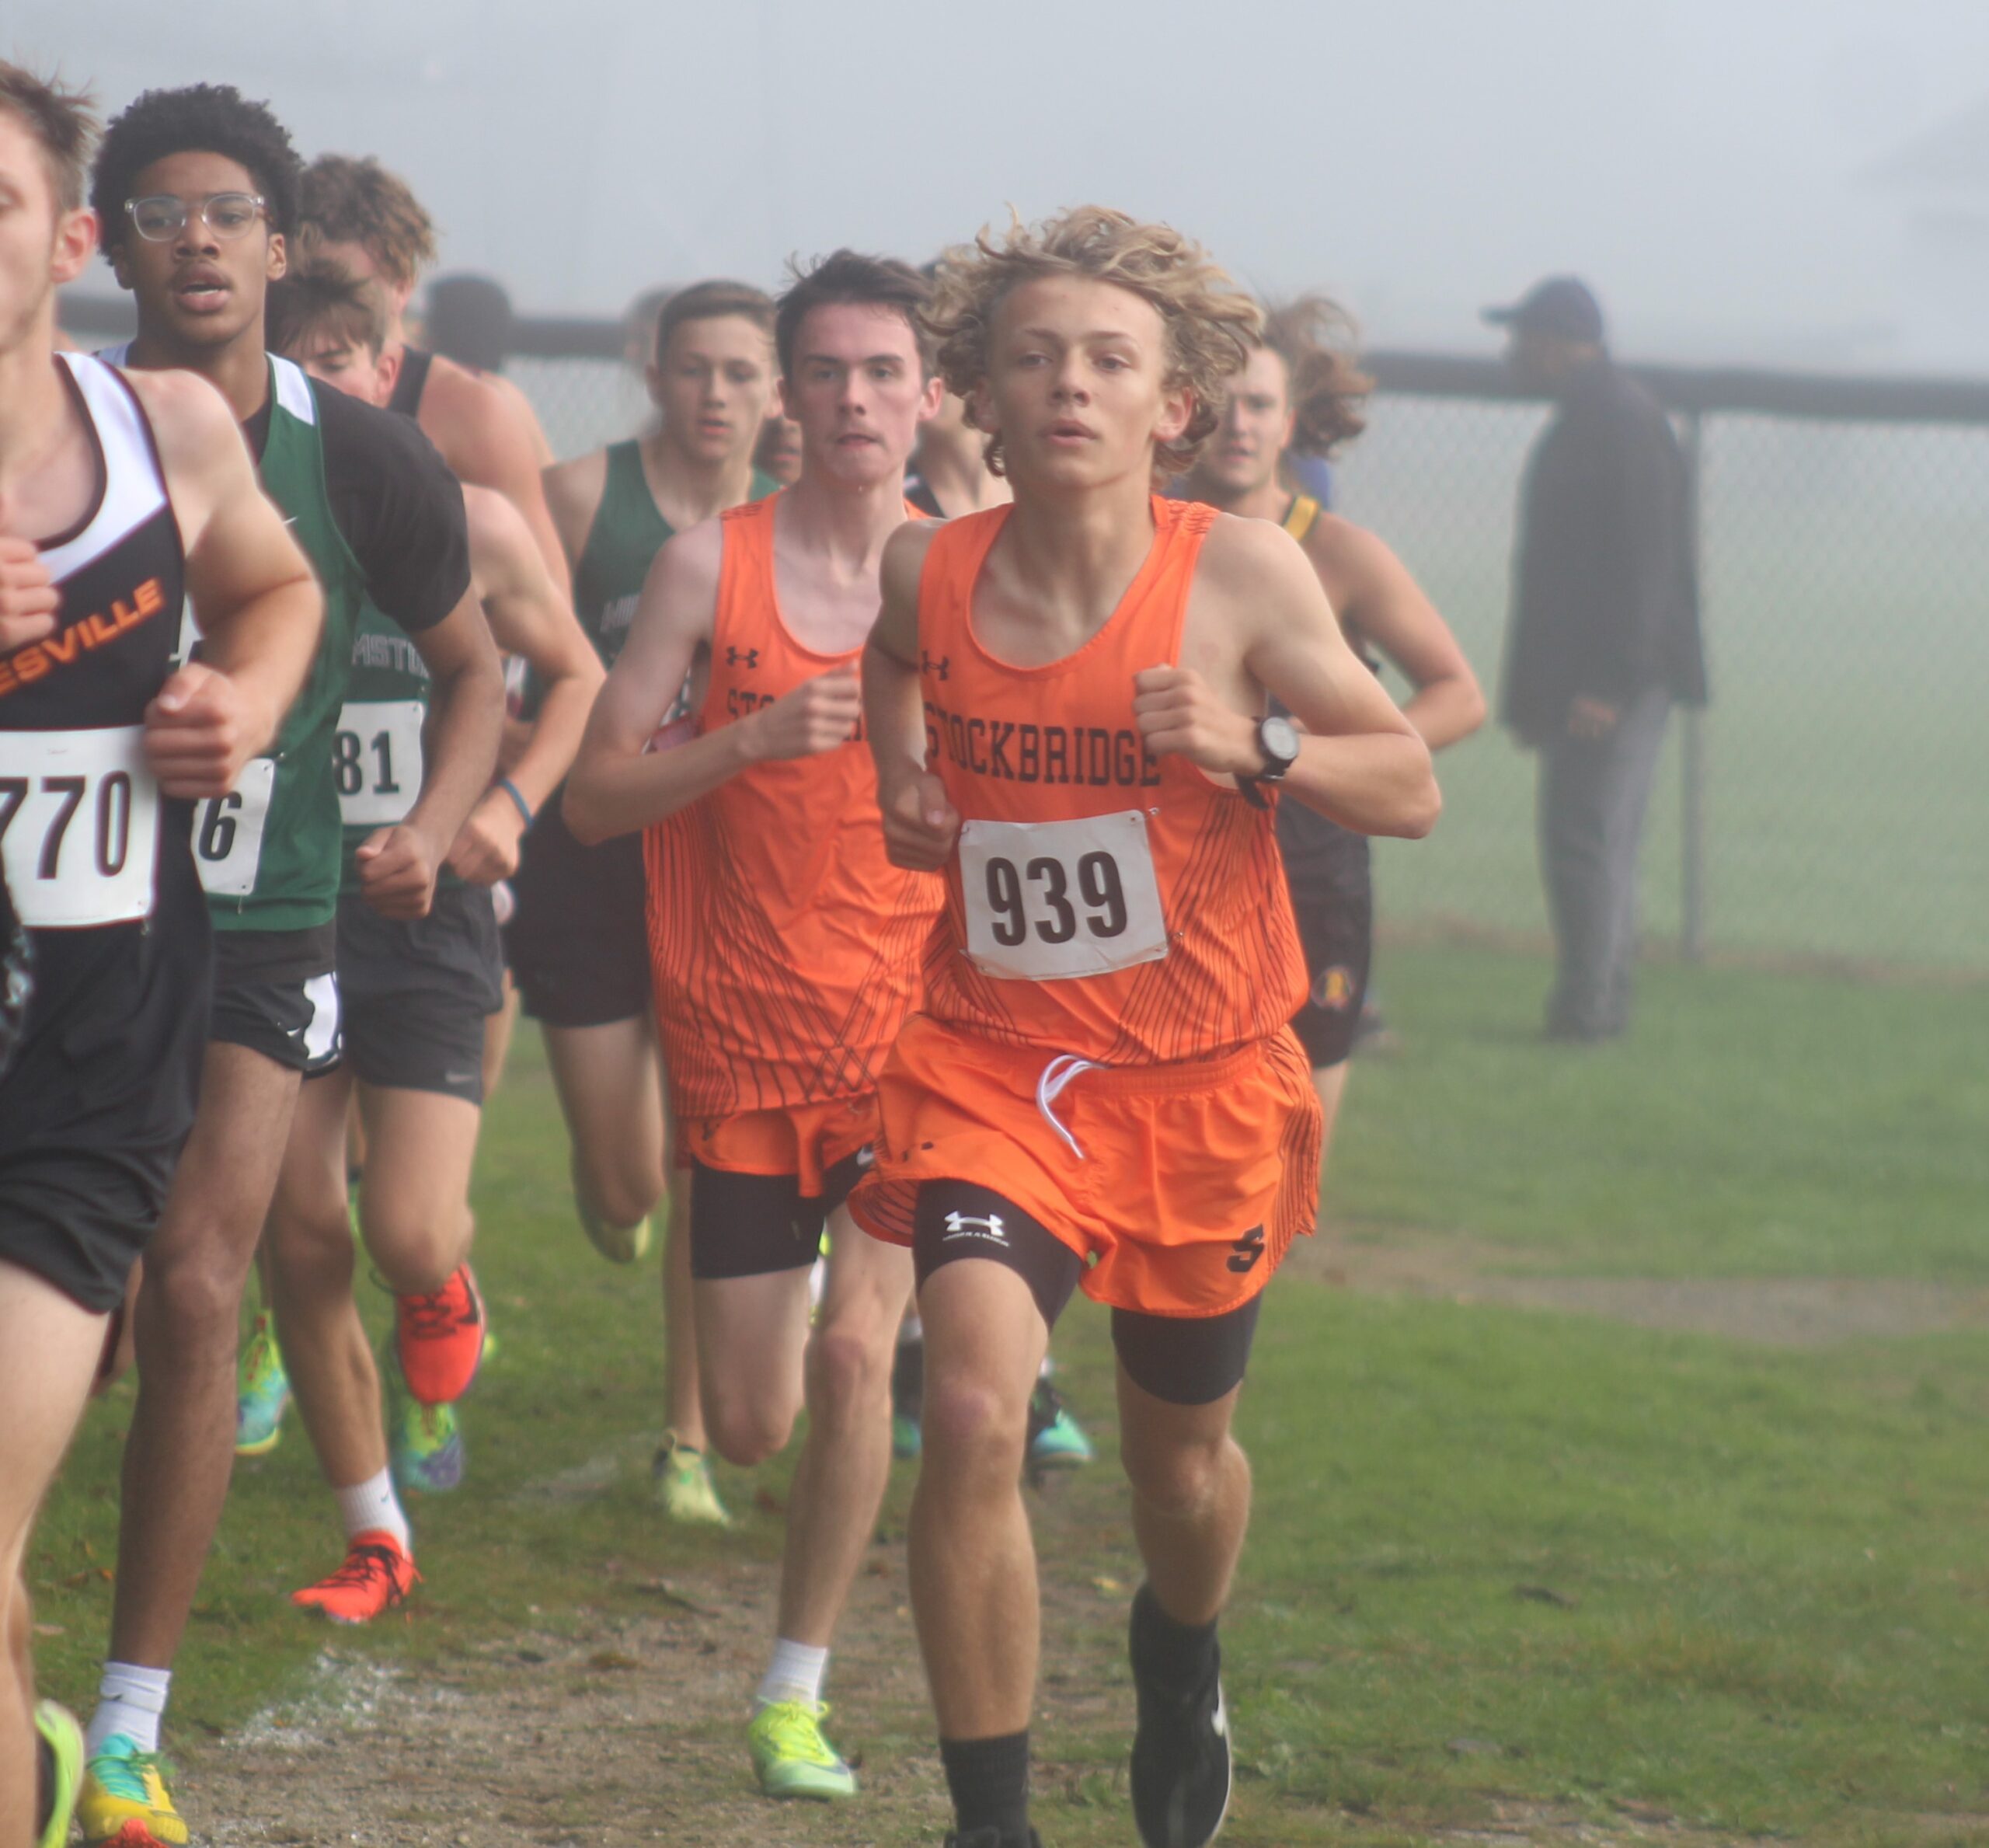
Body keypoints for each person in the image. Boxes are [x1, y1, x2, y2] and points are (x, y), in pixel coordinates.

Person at [848, 207, 1439, 1848]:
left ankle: (1181, 1655)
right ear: (976, 392)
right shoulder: (927, 567)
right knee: (976, 1406)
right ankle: (993, 1823)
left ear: (1172, 404)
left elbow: (1408, 780)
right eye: (1033, 356)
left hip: (1197, 1085)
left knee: (1176, 1472)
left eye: (1109, 361)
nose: (1069, 386)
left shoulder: (1238, 573)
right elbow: (893, 663)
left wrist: (1257, 746)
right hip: (992, 1065)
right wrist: (902, 769)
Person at [76, 84, 504, 1848]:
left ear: (278, 245)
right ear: (108, 245)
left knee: (200, 1278)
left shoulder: (372, 460)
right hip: (71, 911)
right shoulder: (61, 429)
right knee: (84, 1311)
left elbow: (475, 669)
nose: (198, 239)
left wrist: (442, 823)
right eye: (160, 211)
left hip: (271, 914)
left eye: (229, 211)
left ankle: (128, 1729)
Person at [565, 250, 943, 1803]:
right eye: (827, 371)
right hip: (741, 1044)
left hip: (918, 1038)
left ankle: (794, 1689)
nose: (853, 399)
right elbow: (593, 800)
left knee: (857, 1357)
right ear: (788, 395)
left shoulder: (969, 575)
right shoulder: (703, 572)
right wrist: (747, 739)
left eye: (882, 372)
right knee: (748, 1421)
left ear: (927, 396)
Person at [0, 64, 323, 1848]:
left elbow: (278, 592)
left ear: (67, 242)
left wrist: (241, 700)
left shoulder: (162, 430)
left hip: (86, 1065)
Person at [252, 263, 601, 1581]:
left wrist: (505, 804)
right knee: (298, 1227)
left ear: (390, 370)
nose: (325, 378)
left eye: (347, 355)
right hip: (282, 909)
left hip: (428, 910)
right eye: (299, 357)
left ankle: (442, 1280)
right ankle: (372, 1524)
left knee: (403, 1229)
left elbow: (573, 673)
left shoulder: (476, 522)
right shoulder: (225, 515)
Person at [529, 281, 782, 1523]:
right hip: (590, 861)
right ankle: (609, 1189)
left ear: (774, 389)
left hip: (730, 874)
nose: (716, 395)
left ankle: (685, 1438)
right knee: (628, 1182)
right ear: (654, 372)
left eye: (741, 372)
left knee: (703, 1156)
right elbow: (527, 660)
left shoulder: (796, 520)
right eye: (695, 368)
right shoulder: (582, 497)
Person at [1180, 298, 1483, 1189]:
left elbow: (1459, 693)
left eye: (1260, 404)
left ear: (1291, 422)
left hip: (1312, 863)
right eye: (1221, 402)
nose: (1239, 424)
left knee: (1281, 1171)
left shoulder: (1339, 553)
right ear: (1183, 408)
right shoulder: (1140, 539)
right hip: (1179, 868)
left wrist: (1319, 750)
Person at [1486, 275, 1705, 1041]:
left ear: (1555, 343)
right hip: (1590, 679)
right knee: (1594, 839)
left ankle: (1589, 1012)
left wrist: (1609, 684)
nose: (1513, 354)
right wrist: (1534, 695)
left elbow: (1647, 570)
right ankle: (1594, 1002)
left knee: (1587, 839)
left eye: (1523, 339)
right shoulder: (1592, 417)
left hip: (1618, 681)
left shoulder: (1621, 420)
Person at [295, 154, 569, 594]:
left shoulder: (470, 411)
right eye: (299, 287)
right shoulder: (256, 389)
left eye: (339, 286)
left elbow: (547, 598)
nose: (317, 304)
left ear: (401, 284)